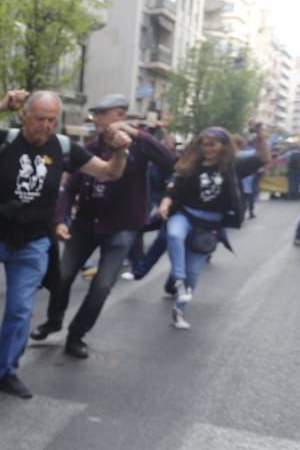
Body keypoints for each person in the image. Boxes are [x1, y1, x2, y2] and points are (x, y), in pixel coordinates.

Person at [0, 90, 131, 400]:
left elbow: (110, 172)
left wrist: (120, 151)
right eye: (39, 119)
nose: (45, 126)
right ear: (25, 116)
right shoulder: (3, 139)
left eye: (51, 120)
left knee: (20, 310)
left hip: (32, 243)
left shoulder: (65, 148)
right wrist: (2, 105)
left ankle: (7, 373)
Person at [31, 93, 174, 359]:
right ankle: (54, 321)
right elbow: (69, 187)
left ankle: (76, 335)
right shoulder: (91, 147)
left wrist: (136, 134)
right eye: (94, 113)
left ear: (119, 115)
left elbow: (169, 160)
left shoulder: (140, 145)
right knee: (61, 276)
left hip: (122, 228)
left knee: (102, 285)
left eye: (100, 113)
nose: (94, 118)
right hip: (85, 224)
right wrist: (60, 219)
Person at [156, 128, 247, 330]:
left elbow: (263, 158)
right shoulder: (190, 165)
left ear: (223, 146)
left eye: (212, 144)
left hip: (208, 226)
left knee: (194, 273)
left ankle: (179, 311)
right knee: (174, 234)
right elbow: (174, 188)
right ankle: (178, 279)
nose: (207, 148)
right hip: (185, 215)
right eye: (204, 144)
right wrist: (165, 202)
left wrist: (259, 134)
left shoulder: (232, 167)